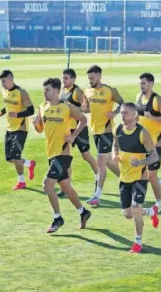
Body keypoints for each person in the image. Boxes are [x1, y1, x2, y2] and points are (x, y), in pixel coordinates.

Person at [32, 78, 92, 233]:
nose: (44, 93)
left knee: (47, 184)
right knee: (65, 186)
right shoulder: (42, 107)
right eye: (44, 90)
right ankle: (83, 212)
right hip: (51, 154)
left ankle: (57, 218)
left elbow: (84, 120)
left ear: (57, 91)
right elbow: (40, 129)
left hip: (63, 154)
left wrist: (73, 136)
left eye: (48, 90)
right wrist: (36, 124)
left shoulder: (67, 107)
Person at [112, 102, 161, 254]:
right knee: (127, 214)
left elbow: (154, 156)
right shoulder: (118, 129)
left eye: (125, 113)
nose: (122, 115)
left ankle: (138, 243)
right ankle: (151, 212)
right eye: (121, 112)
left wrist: (140, 162)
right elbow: (115, 145)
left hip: (140, 177)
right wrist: (114, 154)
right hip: (124, 177)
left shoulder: (142, 133)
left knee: (135, 208)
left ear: (134, 115)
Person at [82, 65, 123, 207]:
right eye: (89, 78)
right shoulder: (87, 91)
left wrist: (115, 113)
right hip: (94, 130)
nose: (90, 80)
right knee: (108, 162)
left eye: (92, 78)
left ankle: (96, 196)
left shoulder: (109, 90)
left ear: (99, 76)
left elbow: (123, 104)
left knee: (100, 161)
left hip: (106, 130)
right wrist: (77, 107)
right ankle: (127, 180)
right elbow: (86, 108)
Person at [57, 68, 99, 198]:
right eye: (63, 78)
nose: (63, 80)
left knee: (86, 156)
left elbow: (87, 109)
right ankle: (66, 186)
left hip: (79, 129)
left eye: (66, 78)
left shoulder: (78, 92)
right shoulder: (62, 91)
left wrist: (78, 108)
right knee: (65, 158)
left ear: (73, 79)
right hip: (66, 129)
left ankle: (99, 177)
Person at [136, 73, 161, 212]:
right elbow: (138, 116)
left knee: (151, 175)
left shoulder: (157, 100)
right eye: (140, 83)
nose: (141, 86)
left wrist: (153, 117)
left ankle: (160, 204)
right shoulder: (138, 97)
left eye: (144, 83)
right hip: (143, 140)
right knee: (142, 174)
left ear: (151, 84)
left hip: (157, 141)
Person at [0, 70, 36, 190]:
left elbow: (31, 110)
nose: (2, 84)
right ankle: (29, 164)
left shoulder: (21, 92)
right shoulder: (5, 91)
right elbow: (8, 105)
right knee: (9, 159)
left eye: (4, 81)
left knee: (16, 157)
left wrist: (17, 115)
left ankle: (21, 182)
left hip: (20, 128)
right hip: (9, 127)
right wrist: (1, 112)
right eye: (1, 82)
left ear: (11, 79)